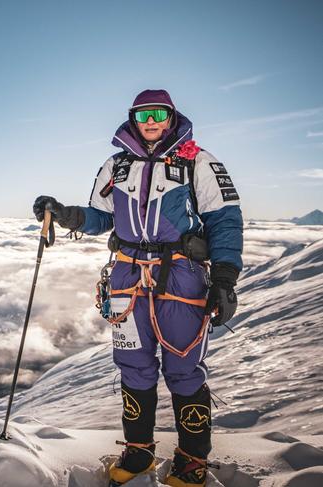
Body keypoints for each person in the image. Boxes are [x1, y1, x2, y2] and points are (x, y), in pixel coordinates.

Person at [33, 89, 243, 487]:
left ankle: (193, 460)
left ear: (171, 117)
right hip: (127, 276)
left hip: (181, 273)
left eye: (158, 113)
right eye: (143, 113)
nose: (150, 121)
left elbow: (225, 220)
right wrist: (65, 215)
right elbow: (100, 217)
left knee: (183, 367)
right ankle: (138, 452)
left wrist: (225, 280)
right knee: (134, 366)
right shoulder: (117, 166)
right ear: (133, 118)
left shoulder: (197, 161)